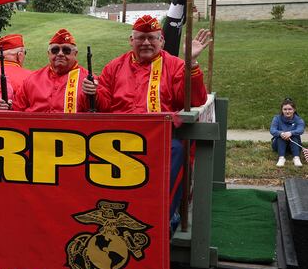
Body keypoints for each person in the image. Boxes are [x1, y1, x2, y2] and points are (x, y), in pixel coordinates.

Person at [82, 15, 212, 229]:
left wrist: (192, 64)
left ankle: (163, 219)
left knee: (177, 150)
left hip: (161, 139)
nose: (146, 43)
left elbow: (195, 99)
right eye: (140, 38)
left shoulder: (175, 65)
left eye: (151, 38)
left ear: (161, 41)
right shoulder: (114, 67)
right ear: (130, 40)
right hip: (118, 139)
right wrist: (93, 93)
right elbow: (103, 103)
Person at [16, 29, 89, 113]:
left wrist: (95, 95)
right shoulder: (32, 80)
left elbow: (104, 109)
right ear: (48, 53)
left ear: (75, 54)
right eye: (55, 50)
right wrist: (7, 106)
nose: (60, 54)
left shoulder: (88, 80)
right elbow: (16, 108)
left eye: (66, 50)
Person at [270, 98, 304, 167]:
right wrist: (281, 133)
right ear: (282, 110)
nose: (287, 111)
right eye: (285, 109)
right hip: (278, 145)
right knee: (281, 137)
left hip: (294, 144)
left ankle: (296, 158)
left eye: (290, 109)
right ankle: (281, 158)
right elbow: (272, 130)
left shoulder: (299, 120)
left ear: (294, 110)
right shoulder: (276, 118)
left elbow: (301, 130)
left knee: (293, 136)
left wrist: (291, 133)